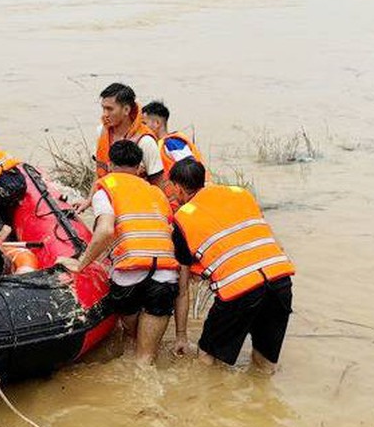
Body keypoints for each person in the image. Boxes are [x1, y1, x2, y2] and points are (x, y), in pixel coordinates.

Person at [57, 140, 179, 365]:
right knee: (146, 357)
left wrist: (81, 263)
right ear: (139, 167)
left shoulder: (106, 189)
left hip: (129, 274)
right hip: (165, 274)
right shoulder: (157, 193)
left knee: (131, 341)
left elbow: (105, 231)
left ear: (110, 164)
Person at [169, 159, 295, 372]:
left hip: (240, 290)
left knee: (206, 360)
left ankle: (204, 401)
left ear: (179, 189)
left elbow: (182, 289)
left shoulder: (182, 219)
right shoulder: (241, 194)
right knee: (264, 365)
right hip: (280, 281)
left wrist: (181, 335)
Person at [93, 82, 163, 185]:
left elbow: (157, 182)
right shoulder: (101, 132)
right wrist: (89, 199)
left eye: (110, 109)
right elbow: (99, 173)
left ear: (126, 110)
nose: (105, 114)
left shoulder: (145, 141)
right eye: (103, 108)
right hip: (108, 195)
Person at [141, 101, 205, 207]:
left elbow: (190, 169)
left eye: (144, 124)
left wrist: (186, 198)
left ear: (156, 123)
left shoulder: (172, 143)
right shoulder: (157, 145)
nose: (142, 128)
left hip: (184, 200)